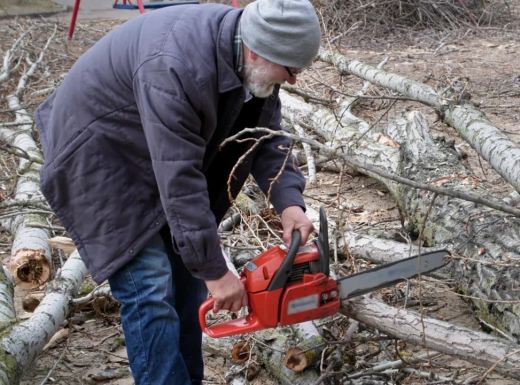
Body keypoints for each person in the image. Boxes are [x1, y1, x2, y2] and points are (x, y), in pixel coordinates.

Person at [35, 0, 319, 383]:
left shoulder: (247, 57)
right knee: (150, 284)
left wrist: (289, 203)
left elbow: (264, 137)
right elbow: (180, 181)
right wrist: (217, 272)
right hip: (97, 155)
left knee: (187, 282)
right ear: (257, 49)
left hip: (151, 151)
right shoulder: (175, 65)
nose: (293, 80)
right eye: (291, 70)